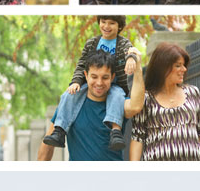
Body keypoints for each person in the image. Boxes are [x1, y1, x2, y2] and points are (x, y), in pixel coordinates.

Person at [42, 16, 140, 151]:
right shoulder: (92, 43)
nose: (106, 26)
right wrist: (76, 81)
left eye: (112, 23)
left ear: (119, 27)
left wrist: (131, 58)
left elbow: (131, 52)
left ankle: (115, 131)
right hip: (92, 83)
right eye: (103, 22)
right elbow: (82, 64)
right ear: (99, 23)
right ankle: (59, 130)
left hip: (114, 83)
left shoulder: (123, 43)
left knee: (117, 96)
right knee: (68, 94)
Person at [37, 50, 145, 161]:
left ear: (112, 77)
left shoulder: (118, 102)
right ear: (86, 75)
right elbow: (47, 144)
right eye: (94, 77)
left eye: (105, 77)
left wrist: (138, 68)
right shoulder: (70, 104)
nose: (99, 83)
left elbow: (136, 106)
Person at [130, 42, 200, 161]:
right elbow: (138, 137)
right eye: (178, 65)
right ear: (163, 68)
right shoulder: (146, 99)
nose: (184, 69)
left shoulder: (192, 92)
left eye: (184, 65)